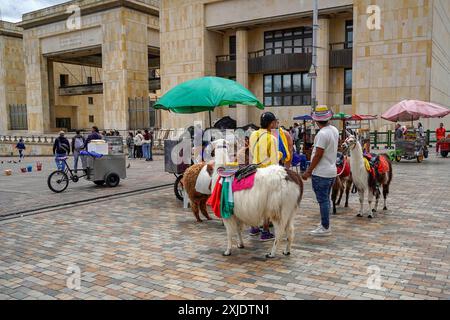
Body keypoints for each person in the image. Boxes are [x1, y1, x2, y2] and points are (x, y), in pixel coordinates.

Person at [302, 105, 339, 236]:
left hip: (321, 172)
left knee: (323, 200)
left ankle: (325, 226)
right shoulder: (334, 130)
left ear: (316, 120)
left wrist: (308, 171)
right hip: (331, 171)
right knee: (326, 199)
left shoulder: (322, 134)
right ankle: (325, 222)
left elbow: (318, 154)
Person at [248, 112, 279, 241]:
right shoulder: (272, 139)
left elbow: (252, 152)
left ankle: (254, 227)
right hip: (266, 175)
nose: (276, 124)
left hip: (254, 173)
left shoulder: (253, 135)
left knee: (256, 202)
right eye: (275, 122)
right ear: (271, 123)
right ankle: (265, 231)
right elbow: (274, 161)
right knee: (266, 203)